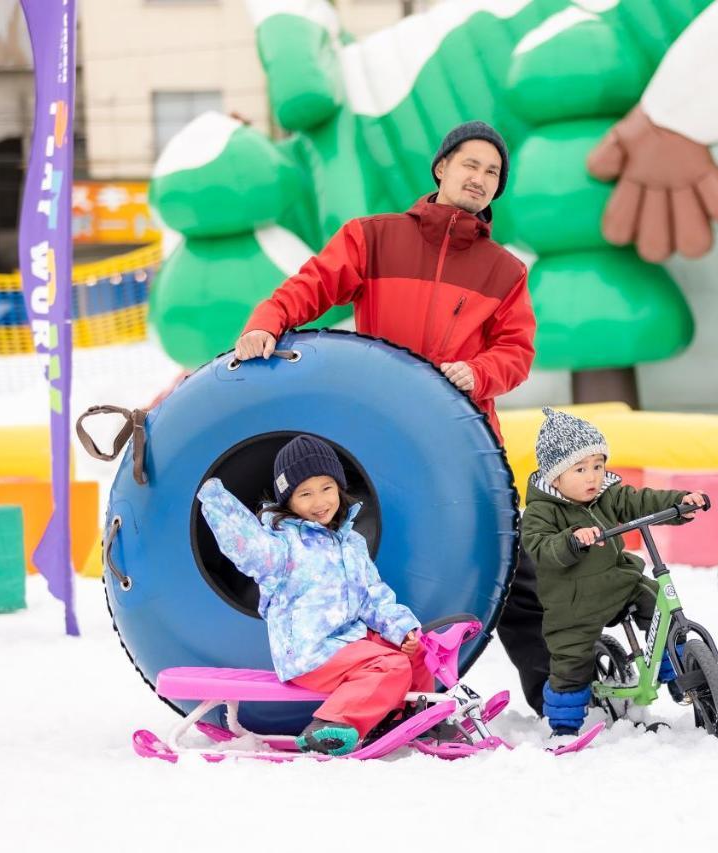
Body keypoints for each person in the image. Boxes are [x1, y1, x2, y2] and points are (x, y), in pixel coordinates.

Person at [231, 121, 553, 715]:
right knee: (374, 560)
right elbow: (312, 286)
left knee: (514, 571)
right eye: (471, 165)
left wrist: (477, 373)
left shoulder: (504, 271)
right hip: (377, 433)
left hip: (463, 442)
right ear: (441, 168)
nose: (480, 179)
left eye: (493, 174)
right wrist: (267, 321)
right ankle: (369, 685)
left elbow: (517, 352)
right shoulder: (374, 238)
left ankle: (557, 697)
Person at [197, 434, 428, 756]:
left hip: (348, 641)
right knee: (389, 666)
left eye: (326, 488)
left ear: (339, 489)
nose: (319, 501)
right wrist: (219, 504)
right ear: (288, 501)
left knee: (415, 652)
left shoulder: (351, 543)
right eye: (305, 493)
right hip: (311, 651)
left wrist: (401, 628)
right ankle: (332, 725)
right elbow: (252, 552)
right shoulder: (283, 545)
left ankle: (410, 717)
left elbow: (373, 596)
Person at [520, 408, 707, 736]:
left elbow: (642, 501)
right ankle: (564, 727)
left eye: (597, 465)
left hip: (618, 584)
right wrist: (571, 541)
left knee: (654, 598)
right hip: (572, 604)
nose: (592, 477)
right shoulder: (541, 512)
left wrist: (680, 502)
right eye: (579, 469)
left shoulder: (608, 494)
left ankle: (677, 672)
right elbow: (540, 548)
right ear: (555, 476)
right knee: (571, 661)